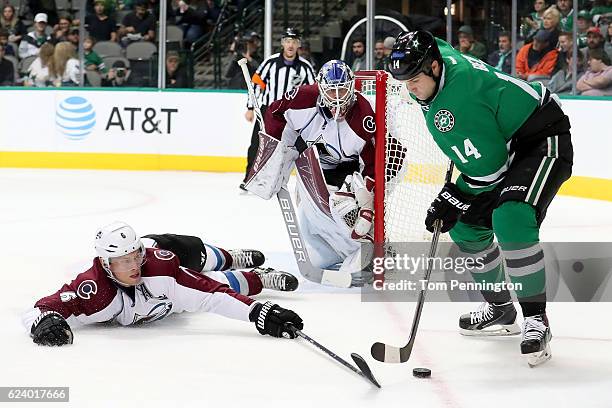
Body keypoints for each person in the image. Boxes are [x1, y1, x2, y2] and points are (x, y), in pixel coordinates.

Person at [388, 31, 573, 366]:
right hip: (504, 137)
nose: (410, 89)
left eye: (414, 80)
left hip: (542, 139)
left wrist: (453, 196)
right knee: (464, 228)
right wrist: (455, 202)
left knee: (511, 216)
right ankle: (501, 309)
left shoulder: (453, 105)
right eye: (404, 82)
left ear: (433, 68)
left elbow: (491, 172)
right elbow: (434, 40)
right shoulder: (437, 59)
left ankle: (536, 319)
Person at [22, 222, 303, 346]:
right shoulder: (93, 290)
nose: (134, 266)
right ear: (106, 264)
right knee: (215, 282)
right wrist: (44, 321)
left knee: (201, 259)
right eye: (123, 261)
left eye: (135, 256)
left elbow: (212, 295)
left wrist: (258, 312)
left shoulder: (158, 265)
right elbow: (41, 308)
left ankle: (231, 256)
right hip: (169, 294)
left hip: (165, 247)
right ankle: (258, 276)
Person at [243, 60, 377, 285]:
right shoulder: (302, 98)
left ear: (352, 87)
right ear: (320, 88)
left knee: (343, 206)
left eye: (342, 89)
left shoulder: (363, 116)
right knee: (308, 216)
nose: (337, 97)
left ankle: (366, 251)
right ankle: (328, 253)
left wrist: (367, 200)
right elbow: (275, 113)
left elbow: (372, 160)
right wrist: (276, 155)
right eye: (331, 90)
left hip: (349, 170)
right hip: (315, 164)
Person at [241, 28, 315, 191]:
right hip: (269, 110)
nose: (290, 45)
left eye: (294, 41)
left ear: (298, 45)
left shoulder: (305, 68)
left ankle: (285, 181)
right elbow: (255, 84)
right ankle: (250, 179)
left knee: (292, 148)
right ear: (282, 43)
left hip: (292, 114)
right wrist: (250, 107)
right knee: (258, 145)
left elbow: (313, 91)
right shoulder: (270, 63)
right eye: (288, 41)